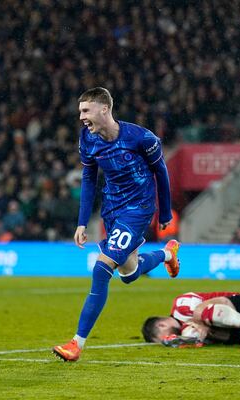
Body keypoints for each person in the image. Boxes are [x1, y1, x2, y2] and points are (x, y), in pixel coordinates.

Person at [53, 87, 181, 362]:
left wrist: (166, 211)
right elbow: (89, 178)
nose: (81, 117)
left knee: (102, 269)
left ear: (104, 109)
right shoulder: (87, 139)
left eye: (86, 111)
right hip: (112, 208)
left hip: (139, 209)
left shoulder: (141, 138)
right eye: (80, 111)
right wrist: (81, 222)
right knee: (129, 273)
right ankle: (168, 254)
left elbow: (161, 171)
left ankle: (76, 343)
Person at [141, 291, 240, 346]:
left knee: (200, 312)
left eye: (165, 338)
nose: (169, 339)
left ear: (161, 325)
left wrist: (199, 322)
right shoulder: (186, 332)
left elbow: (220, 303)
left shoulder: (180, 306)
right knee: (201, 334)